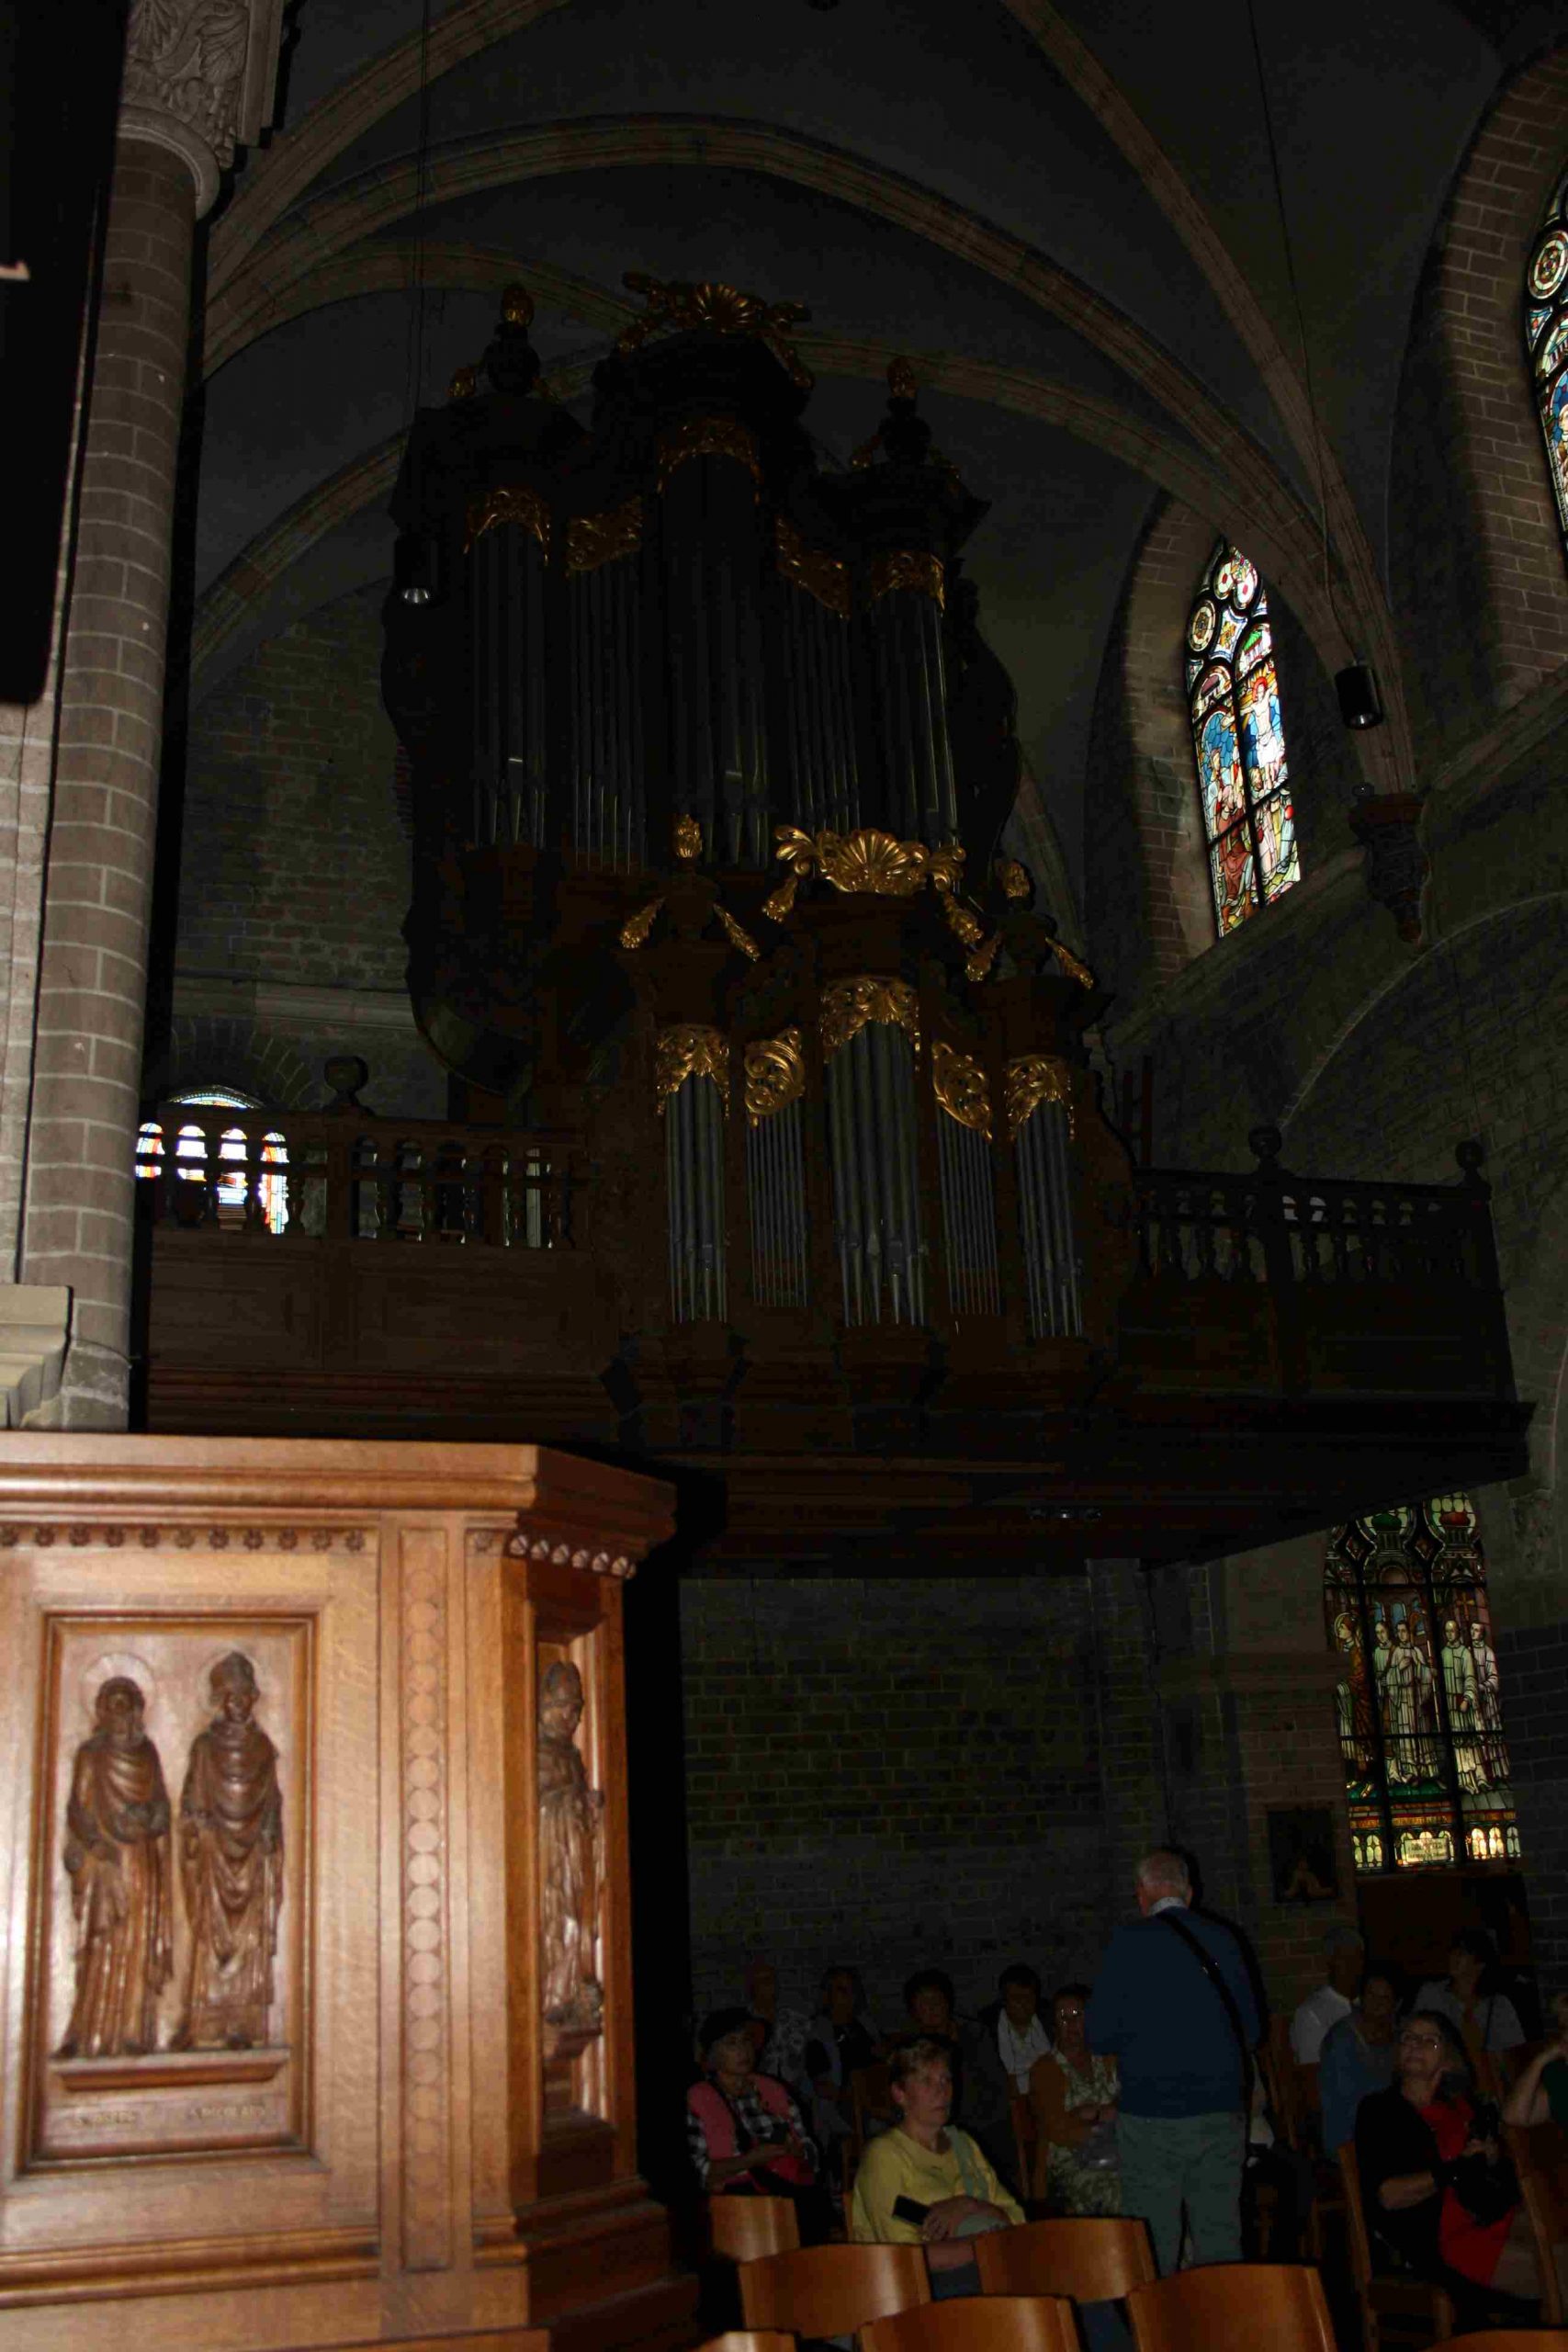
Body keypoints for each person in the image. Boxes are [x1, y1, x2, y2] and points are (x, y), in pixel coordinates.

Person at [1087, 1847, 1261, 2273]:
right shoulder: (1226, 1939)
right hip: (1220, 2112)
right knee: (1219, 2240)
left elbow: (1098, 2035)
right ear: (1189, 1892)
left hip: (1152, 2116)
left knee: (1154, 2245)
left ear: (1141, 1894)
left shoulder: (1128, 1943)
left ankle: (1160, 2315)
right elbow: (1253, 2031)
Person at [1355, 2007, 1542, 2312]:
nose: (1416, 2045)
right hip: (1438, 2238)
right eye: (1408, 2038)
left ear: (1448, 2058)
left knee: (1554, 2236)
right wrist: (1457, 2168)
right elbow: (1388, 2195)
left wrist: (1491, 2157)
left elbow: (1497, 2180)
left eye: (1429, 2041)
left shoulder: (1459, 2108)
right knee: (1550, 2268)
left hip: (1486, 2214)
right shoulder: (1380, 2110)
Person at [851, 2036, 1021, 2298]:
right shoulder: (884, 2157)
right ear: (900, 2093)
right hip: (919, 2289)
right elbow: (907, 2256)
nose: (942, 2090)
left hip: (988, 2266)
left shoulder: (964, 2145)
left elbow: (1016, 2219)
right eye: (927, 2081)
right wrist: (986, 2246)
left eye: (946, 2079)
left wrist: (968, 2205)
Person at [686, 2006, 830, 2241]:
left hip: (787, 2189)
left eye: (746, 2041)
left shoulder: (774, 2090)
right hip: (735, 2203)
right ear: (711, 2054)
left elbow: (811, 2150)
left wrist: (798, 2150)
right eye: (732, 2043)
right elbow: (698, 2173)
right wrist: (751, 2159)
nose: (743, 2050)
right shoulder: (699, 2098)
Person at [902, 1968, 1019, 2192]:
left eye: (937, 2001)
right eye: (924, 2004)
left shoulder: (975, 2035)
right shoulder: (912, 2052)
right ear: (913, 2012)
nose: (932, 2009)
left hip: (984, 2127)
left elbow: (996, 2088)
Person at [1030, 1982, 1120, 2214]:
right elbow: (1057, 2129)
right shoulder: (1045, 2069)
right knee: (1120, 2192)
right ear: (1054, 2025)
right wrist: (1103, 2119)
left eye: (1077, 2015)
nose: (1071, 2024)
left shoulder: (1106, 2056)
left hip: (1118, 2150)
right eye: (1063, 2017)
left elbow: (1131, 2097)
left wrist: (1093, 2114)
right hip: (1072, 2162)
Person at [804, 1963, 882, 2166]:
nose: (849, 1996)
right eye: (841, 1990)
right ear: (828, 1995)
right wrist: (857, 2098)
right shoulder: (818, 2034)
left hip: (875, 2100)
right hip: (843, 2109)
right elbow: (823, 2087)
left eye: (852, 1989)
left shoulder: (865, 2026)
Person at [1318, 1969, 1401, 2154]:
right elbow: (1346, 2104)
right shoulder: (1343, 2039)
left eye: (1385, 1997)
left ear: (1396, 2003)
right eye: (1372, 1995)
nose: (1377, 2003)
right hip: (1350, 2141)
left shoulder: (1400, 2036)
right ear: (1361, 1997)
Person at [1415, 1928, 1525, 2058]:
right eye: (1453, 1952)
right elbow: (1415, 2035)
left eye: (1462, 1954)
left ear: (1480, 1964)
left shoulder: (1498, 2005)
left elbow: (1514, 2050)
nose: (1454, 1958)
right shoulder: (1431, 1994)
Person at [1291, 1924, 1364, 2064]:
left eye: (1357, 1958)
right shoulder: (1311, 2013)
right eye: (1344, 1959)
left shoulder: (1369, 2003)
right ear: (1330, 1962)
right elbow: (1312, 2068)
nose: (1352, 1966)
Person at [743, 1958, 811, 2100]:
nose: (769, 1984)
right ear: (752, 1987)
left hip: (794, 2096)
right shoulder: (743, 2025)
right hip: (757, 2097)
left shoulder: (796, 2020)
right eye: (762, 1980)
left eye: (771, 1979)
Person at [1503, 1988, 1568, 2131]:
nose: (1566, 2036)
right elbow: (1514, 2116)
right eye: (1564, 2028)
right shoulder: (1559, 2076)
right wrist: (1540, 2061)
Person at [992, 1962, 1051, 2095]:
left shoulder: (1048, 2023)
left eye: (1029, 1997)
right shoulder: (989, 2032)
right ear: (1004, 2000)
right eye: (1016, 1998)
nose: (1023, 2003)